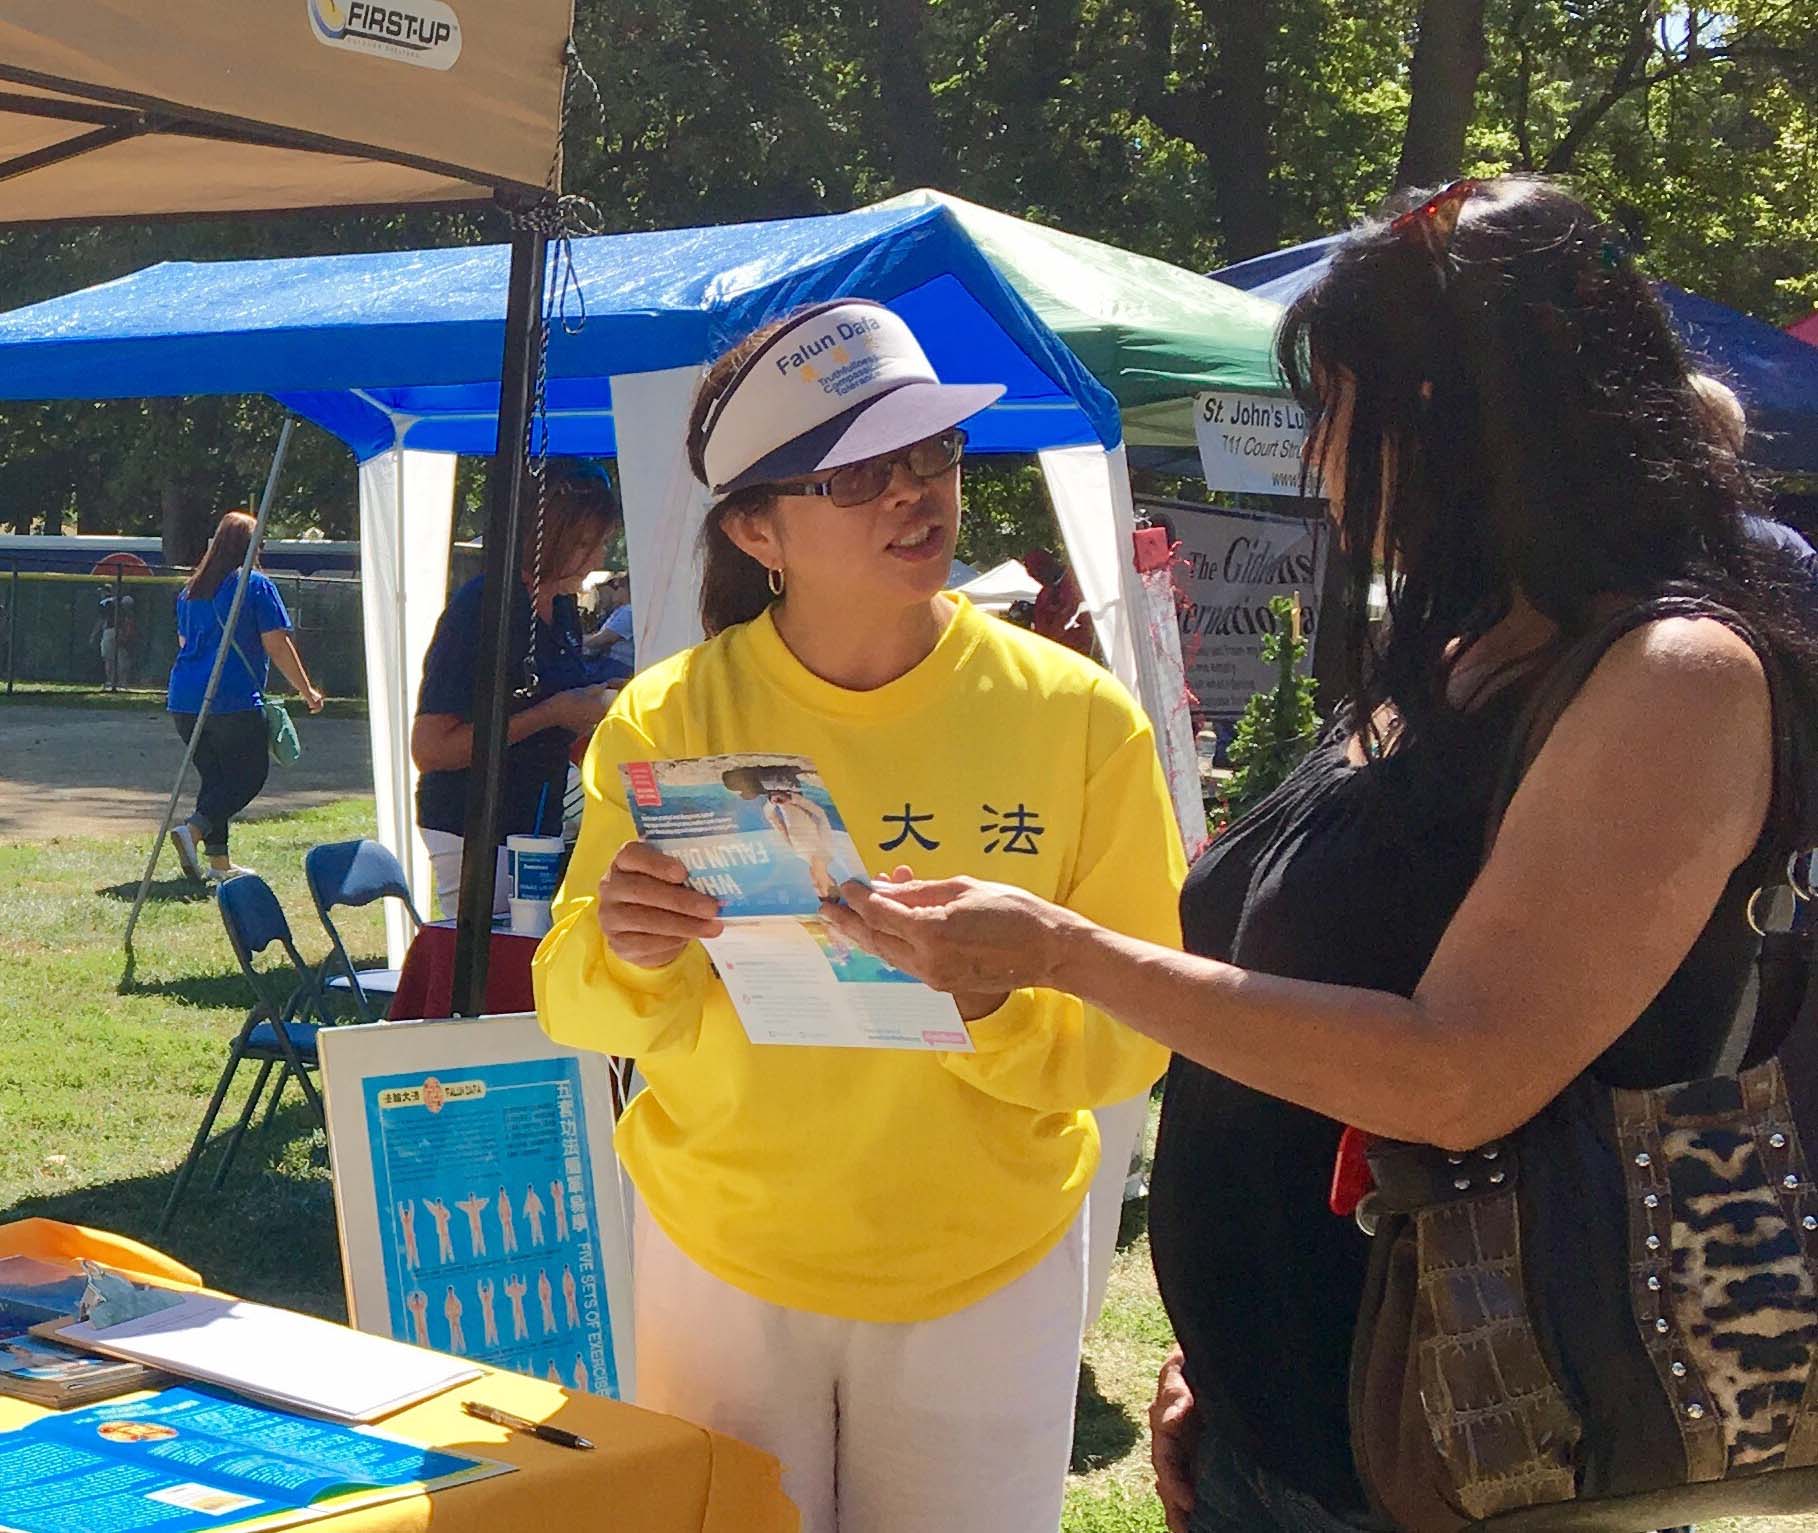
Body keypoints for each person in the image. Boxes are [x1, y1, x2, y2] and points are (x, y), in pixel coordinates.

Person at [823, 178, 1818, 1533]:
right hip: (1299, 1423)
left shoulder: (1672, 679)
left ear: (1453, 418)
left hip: (1483, 1454)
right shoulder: (1457, 649)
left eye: (1335, 410)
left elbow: (1457, 1074)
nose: (1320, 458)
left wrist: (1065, 953)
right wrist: (1219, 1357)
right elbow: (1292, 1024)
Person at [532, 297, 1183, 1533]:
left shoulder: (1082, 719)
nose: (914, 494)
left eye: (931, 453)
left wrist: (992, 1003)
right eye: (856, 475)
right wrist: (629, 947)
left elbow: (1133, 1031)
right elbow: (574, 1002)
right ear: (755, 529)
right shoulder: (668, 717)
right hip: (720, 1256)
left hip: (983, 1265)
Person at [412, 464, 622, 918]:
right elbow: (430, 750)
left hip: (537, 821)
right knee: (496, 950)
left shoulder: (560, 604)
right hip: (475, 825)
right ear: (547, 536)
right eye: (585, 543)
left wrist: (601, 696)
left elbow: (552, 692)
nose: (597, 558)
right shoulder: (482, 607)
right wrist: (552, 714)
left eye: (602, 542)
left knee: (533, 943)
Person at [166, 511, 324, 883]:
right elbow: (277, 645)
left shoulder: (191, 590)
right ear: (252, 547)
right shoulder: (255, 585)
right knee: (249, 776)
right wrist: (306, 690)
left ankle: (219, 864)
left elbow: (184, 642)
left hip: (184, 700)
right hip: (231, 698)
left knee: (215, 780)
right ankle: (193, 830)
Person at [582, 570, 636, 675]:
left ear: (622, 589)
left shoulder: (628, 611)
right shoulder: (623, 610)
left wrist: (576, 641)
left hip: (617, 666)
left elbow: (603, 639)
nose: (600, 597)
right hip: (612, 665)